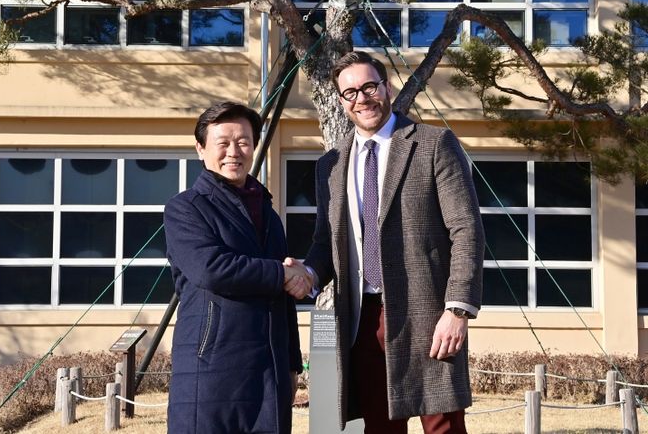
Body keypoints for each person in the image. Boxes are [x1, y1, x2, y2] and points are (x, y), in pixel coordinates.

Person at [289, 51, 485, 433]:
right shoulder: (330, 164)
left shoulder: (433, 143)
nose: (362, 99)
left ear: (387, 87)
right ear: (341, 101)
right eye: (350, 93)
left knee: (443, 428)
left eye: (369, 87)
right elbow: (326, 241)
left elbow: (466, 229)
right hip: (362, 319)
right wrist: (308, 273)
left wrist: (458, 310)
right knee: (380, 428)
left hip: (430, 314)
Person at [164, 101, 309, 434]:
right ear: (200, 149)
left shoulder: (269, 214)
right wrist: (281, 273)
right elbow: (212, 269)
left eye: (243, 142)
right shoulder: (186, 209)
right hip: (211, 372)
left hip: (269, 374)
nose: (234, 152)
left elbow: (284, 298)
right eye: (223, 143)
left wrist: (291, 362)